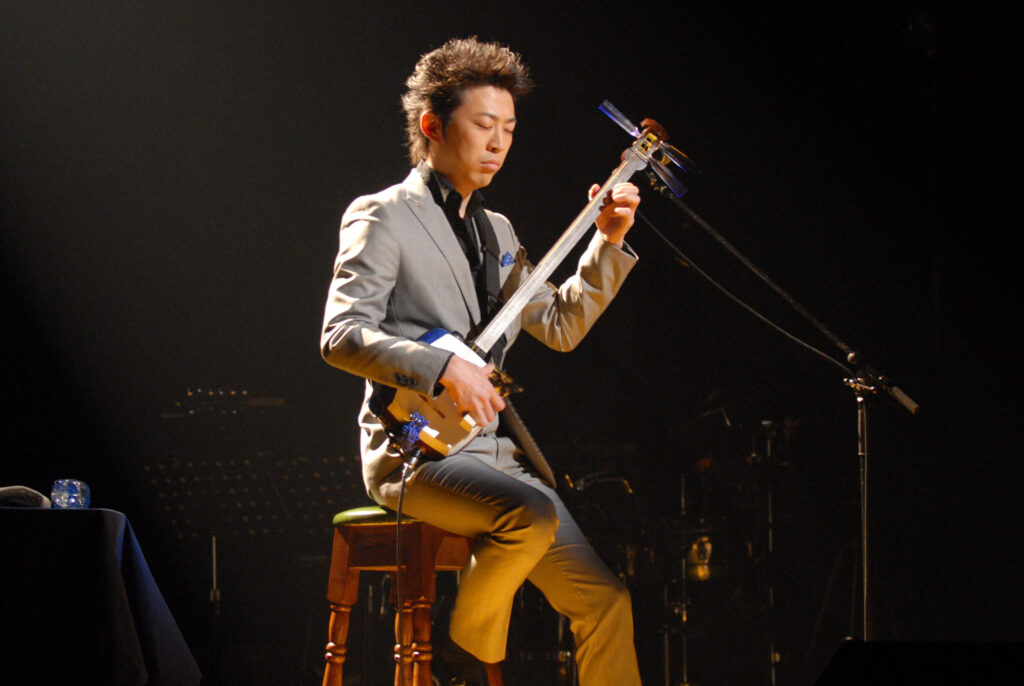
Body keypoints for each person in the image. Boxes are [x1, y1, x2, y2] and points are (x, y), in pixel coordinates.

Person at [320, 37, 643, 686]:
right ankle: (464, 651)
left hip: (494, 452)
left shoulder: (498, 232)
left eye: (509, 129)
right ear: (433, 127)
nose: (499, 143)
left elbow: (559, 325)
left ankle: (470, 644)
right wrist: (440, 368)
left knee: (606, 602)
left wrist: (607, 244)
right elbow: (342, 336)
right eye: (483, 124)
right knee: (530, 513)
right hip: (415, 451)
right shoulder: (382, 216)